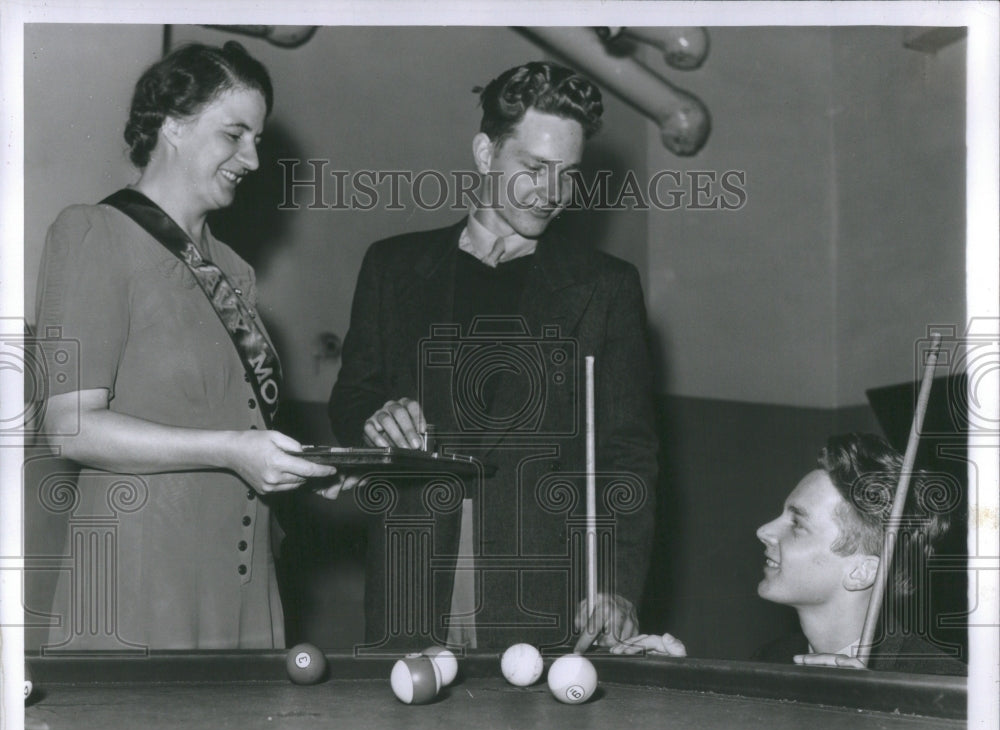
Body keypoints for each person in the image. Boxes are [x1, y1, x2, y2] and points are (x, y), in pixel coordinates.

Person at [328, 61, 657, 650]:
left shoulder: (607, 287)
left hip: (548, 591)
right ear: (485, 154)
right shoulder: (391, 267)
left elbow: (625, 452)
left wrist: (615, 584)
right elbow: (353, 397)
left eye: (568, 175)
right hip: (411, 575)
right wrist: (374, 420)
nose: (553, 194)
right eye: (534, 168)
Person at [35, 41, 348, 651]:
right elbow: (69, 428)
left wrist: (301, 468)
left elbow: (236, 426)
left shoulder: (233, 269)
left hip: (242, 580)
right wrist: (234, 450)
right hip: (141, 579)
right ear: (173, 125)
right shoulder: (93, 232)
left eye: (256, 139)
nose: (253, 158)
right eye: (235, 134)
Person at [612, 433, 966, 676]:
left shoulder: (943, 684)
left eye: (797, 524)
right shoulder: (772, 660)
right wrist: (677, 682)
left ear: (862, 571)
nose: (764, 530)